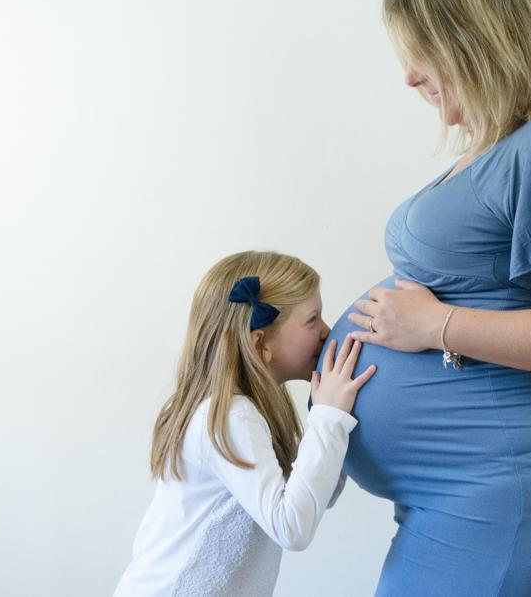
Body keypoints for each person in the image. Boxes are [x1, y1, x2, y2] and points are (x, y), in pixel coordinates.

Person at [318, 0, 531, 595]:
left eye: (421, 50)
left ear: (477, 36)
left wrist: (435, 327)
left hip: (500, 487)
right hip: (463, 489)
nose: (409, 75)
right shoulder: (504, 150)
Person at [114, 250, 376, 596]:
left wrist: (338, 422)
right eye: (313, 320)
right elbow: (291, 527)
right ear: (260, 342)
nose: (327, 331)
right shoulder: (230, 417)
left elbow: (312, 498)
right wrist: (329, 419)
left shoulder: (243, 411)